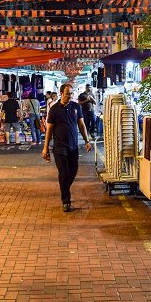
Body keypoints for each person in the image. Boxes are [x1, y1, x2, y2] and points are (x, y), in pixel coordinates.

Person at [41, 83, 92, 212]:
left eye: (71, 93)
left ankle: (64, 188)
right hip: (59, 147)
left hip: (74, 146)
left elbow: (81, 125)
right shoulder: (54, 109)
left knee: (73, 171)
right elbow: (49, 129)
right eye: (68, 93)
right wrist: (45, 147)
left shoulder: (76, 107)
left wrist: (87, 140)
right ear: (61, 93)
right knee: (63, 173)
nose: (70, 96)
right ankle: (66, 201)